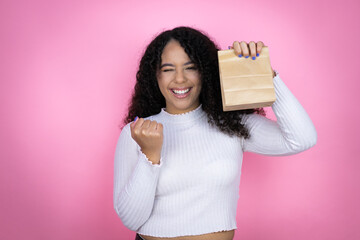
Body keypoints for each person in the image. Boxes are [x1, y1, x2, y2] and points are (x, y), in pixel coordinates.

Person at [113, 26, 317, 240]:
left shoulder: (232, 125)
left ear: (205, 72)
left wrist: (266, 74)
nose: (180, 79)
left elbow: (303, 139)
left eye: (190, 67)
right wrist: (150, 156)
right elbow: (131, 220)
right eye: (168, 69)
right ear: (155, 75)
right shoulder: (137, 132)